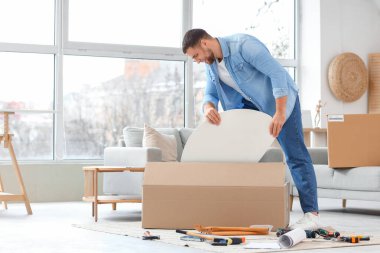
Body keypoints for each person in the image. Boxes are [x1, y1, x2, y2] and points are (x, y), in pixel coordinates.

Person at [182, 28, 319, 230]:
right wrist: (208, 107)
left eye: (196, 56)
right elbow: (210, 95)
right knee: (240, 156)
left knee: (295, 155)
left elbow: (277, 74)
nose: (197, 60)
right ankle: (242, 210)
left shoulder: (244, 46)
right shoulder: (211, 64)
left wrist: (280, 112)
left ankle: (312, 215)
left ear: (204, 43)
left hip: (280, 102)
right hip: (249, 107)